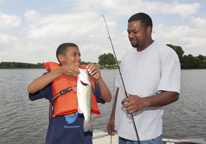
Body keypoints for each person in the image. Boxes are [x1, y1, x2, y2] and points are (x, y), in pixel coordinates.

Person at [107, 12, 181, 144]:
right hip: (123, 133)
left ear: (148, 29)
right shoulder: (127, 55)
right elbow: (120, 88)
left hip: (147, 136)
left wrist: (144, 102)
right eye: (128, 32)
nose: (130, 36)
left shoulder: (165, 53)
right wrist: (113, 118)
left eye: (135, 31)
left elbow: (173, 94)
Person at [27, 43, 112, 144]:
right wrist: (60, 71)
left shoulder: (85, 78)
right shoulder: (52, 77)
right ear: (61, 57)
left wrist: (99, 78)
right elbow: (31, 89)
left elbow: (107, 98)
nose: (78, 58)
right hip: (57, 139)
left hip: (83, 139)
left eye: (79, 55)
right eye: (74, 54)